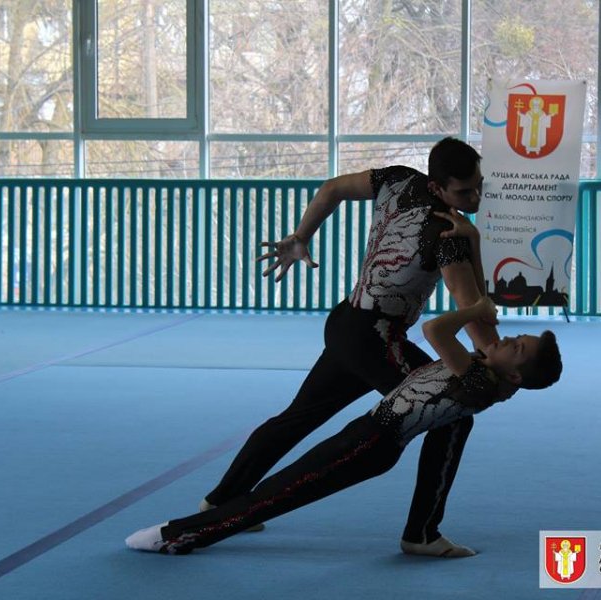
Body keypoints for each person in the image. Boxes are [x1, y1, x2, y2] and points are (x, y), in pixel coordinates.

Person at [196, 137, 499, 557]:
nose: (475, 198)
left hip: (346, 325)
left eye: (479, 186)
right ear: (436, 186)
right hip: (376, 338)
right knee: (452, 413)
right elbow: (473, 310)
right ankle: (422, 533)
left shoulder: (397, 179)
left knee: (298, 417)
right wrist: (500, 362)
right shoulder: (448, 233)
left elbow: (332, 189)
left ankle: (221, 499)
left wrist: (301, 236)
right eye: (464, 192)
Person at [126, 297, 562, 555]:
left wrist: (474, 308)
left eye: (517, 347)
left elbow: (434, 329)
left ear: (514, 375)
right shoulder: (487, 374)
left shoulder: (477, 383)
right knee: (278, 491)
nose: (507, 339)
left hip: (370, 445)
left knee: (279, 493)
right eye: (516, 336)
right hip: (366, 436)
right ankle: (422, 533)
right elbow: (482, 345)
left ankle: (177, 536)